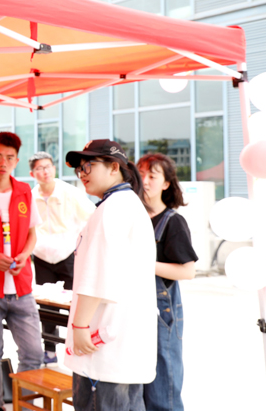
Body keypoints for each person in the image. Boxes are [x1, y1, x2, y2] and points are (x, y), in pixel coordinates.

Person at [63, 140, 156, 411]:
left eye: (88, 166)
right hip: (120, 341)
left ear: (114, 167)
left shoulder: (113, 207)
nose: (82, 174)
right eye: (79, 169)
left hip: (103, 343)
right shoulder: (125, 204)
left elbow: (97, 273)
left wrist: (80, 326)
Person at [0, 132, 43, 411]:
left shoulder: (24, 191)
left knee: (34, 353)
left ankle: (24, 406)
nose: (3, 162)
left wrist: (25, 255)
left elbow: (32, 233)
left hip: (22, 288)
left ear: (16, 161)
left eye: (9, 157)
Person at [138, 153, 198, 411]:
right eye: (141, 174)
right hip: (132, 309)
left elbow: (188, 271)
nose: (145, 181)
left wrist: (142, 263)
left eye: (152, 176)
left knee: (163, 392)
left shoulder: (172, 222)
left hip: (160, 314)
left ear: (166, 184)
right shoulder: (133, 217)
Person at [29, 151, 95, 364]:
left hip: (68, 255)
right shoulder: (31, 196)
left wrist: (82, 246)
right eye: (39, 168)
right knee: (47, 305)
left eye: (48, 166)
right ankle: (49, 350)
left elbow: (91, 217)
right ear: (32, 173)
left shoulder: (69, 192)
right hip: (41, 257)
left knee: (75, 303)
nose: (45, 171)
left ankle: (76, 346)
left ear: (54, 168)